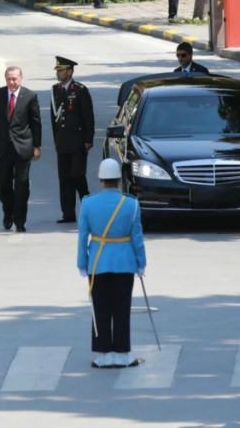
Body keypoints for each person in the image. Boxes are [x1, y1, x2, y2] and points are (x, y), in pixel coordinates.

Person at [77, 158, 147, 369]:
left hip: (97, 263)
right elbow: (137, 237)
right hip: (125, 263)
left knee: (100, 308)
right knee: (122, 308)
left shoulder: (88, 203)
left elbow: (82, 236)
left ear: (100, 179)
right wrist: (141, 263)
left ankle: (103, 355)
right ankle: (123, 355)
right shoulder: (131, 203)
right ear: (119, 180)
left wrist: (82, 262)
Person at [0, 66, 42, 232]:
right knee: (2, 184)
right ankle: (8, 212)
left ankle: (19, 220)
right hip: (2, 148)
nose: (12, 82)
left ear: (21, 78)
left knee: (22, 185)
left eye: (15, 79)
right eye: (9, 79)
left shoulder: (30, 96)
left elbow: (35, 123)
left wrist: (37, 146)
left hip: (23, 147)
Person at [51, 56, 94, 224]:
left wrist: (88, 139)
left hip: (78, 141)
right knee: (64, 179)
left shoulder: (80, 90)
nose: (58, 73)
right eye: (57, 70)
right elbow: (54, 119)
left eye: (61, 70)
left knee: (77, 175)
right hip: (62, 142)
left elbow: (88, 117)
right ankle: (68, 213)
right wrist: (56, 140)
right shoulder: (55, 89)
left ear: (70, 71)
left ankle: (88, 205)